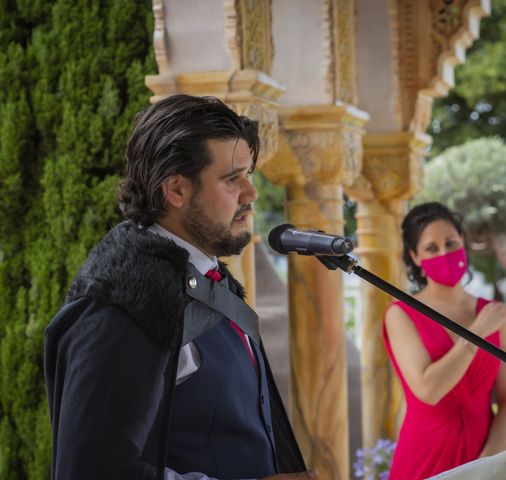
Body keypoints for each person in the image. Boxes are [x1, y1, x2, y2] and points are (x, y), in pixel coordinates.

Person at [44, 95, 317, 480]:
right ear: (175, 190)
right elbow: (90, 471)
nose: (251, 193)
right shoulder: (120, 307)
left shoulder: (205, 280)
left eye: (249, 174)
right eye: (231, 178)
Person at [382, 202, 506, 479]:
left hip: (485, 462)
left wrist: (487, 464)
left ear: (464, 244)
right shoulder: (401, 314)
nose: (444, 253)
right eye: (432, 248)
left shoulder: (492, 313)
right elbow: (429, 390)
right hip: (425, 458)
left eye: (451, 243)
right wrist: (477, 333)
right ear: (415, 257)